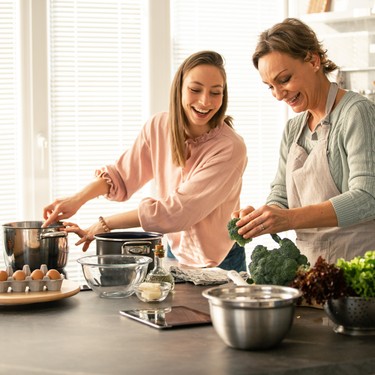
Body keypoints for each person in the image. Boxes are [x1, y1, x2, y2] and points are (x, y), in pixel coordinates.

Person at [43, 50, 248, 272]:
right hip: (175, 251)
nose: (205, 101)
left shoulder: (230, 148)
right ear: (179, 88)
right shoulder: (159, 127)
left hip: (222, 260)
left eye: (215, 92)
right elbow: (122, 176)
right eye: (195, 89)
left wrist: (105, 225)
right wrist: (76, 200)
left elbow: (177, 212)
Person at [233, 18, 375, 265]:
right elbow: (281, 194)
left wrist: (288, 219)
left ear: (313, 60)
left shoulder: (357, 112)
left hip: (356, 266)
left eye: (285, 79)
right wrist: (261, 217)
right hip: (309, 267)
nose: (278, 95)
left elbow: (367, 198)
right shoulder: (294, 129)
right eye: (270, 87)